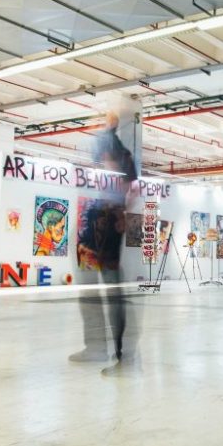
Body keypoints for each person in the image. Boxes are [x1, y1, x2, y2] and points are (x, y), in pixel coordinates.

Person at [70, 110, 137, 367]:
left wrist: (112, 208)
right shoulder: (125, 153)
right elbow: (127, 187)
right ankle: (117, 350)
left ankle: (103, 348)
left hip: (102, 219)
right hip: (110, 218)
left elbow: (112, 175)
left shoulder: (106, 142)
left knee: (94, 286)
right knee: (106, 286)